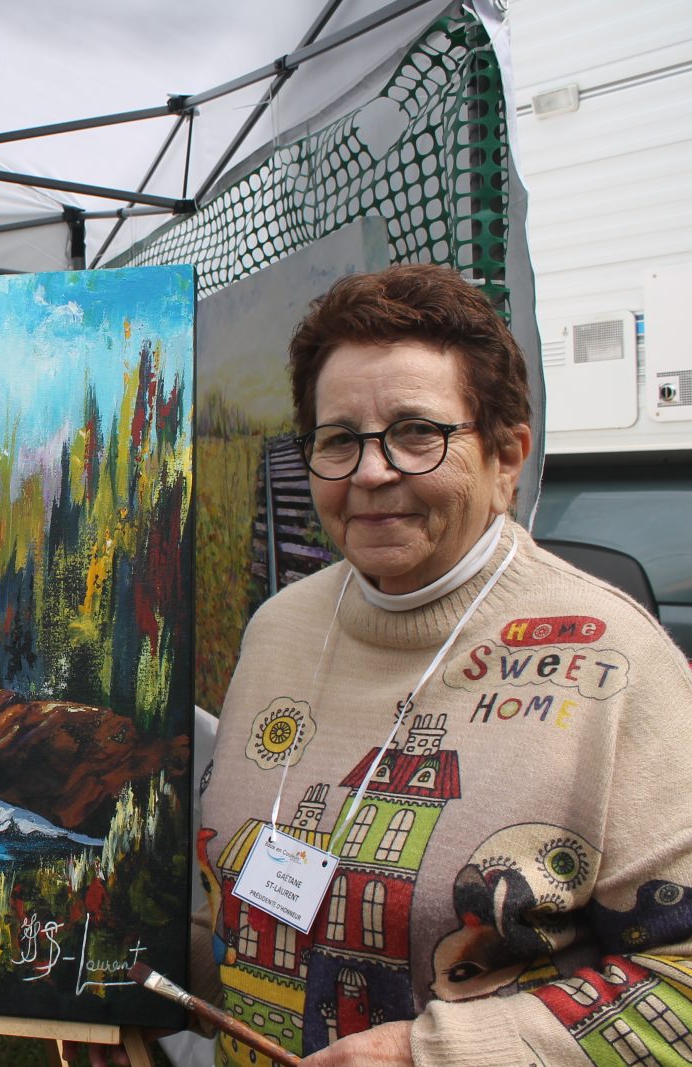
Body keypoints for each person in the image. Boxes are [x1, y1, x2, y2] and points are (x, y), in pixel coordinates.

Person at [188, 263, 692, 1065]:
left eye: (418, 432)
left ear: (505, 457)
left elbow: (683, 982)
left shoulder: (616, 662)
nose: (371, 471)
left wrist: (431, 1056)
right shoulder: (280, 628)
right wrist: (128, 989)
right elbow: (237, 906)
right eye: (339, 438)